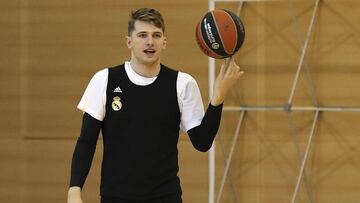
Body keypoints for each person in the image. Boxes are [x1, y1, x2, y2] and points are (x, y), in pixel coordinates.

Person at [67, 7, 243, 203]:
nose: (150, 41)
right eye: (142, 35)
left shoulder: (182, 83)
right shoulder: (105, 80)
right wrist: (74, 189)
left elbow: (202, 142)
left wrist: (219, 95)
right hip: (115, 197)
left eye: (156, 35)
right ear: (129, 42)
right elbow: (87, 141)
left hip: (166, 197)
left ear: (164, 43)